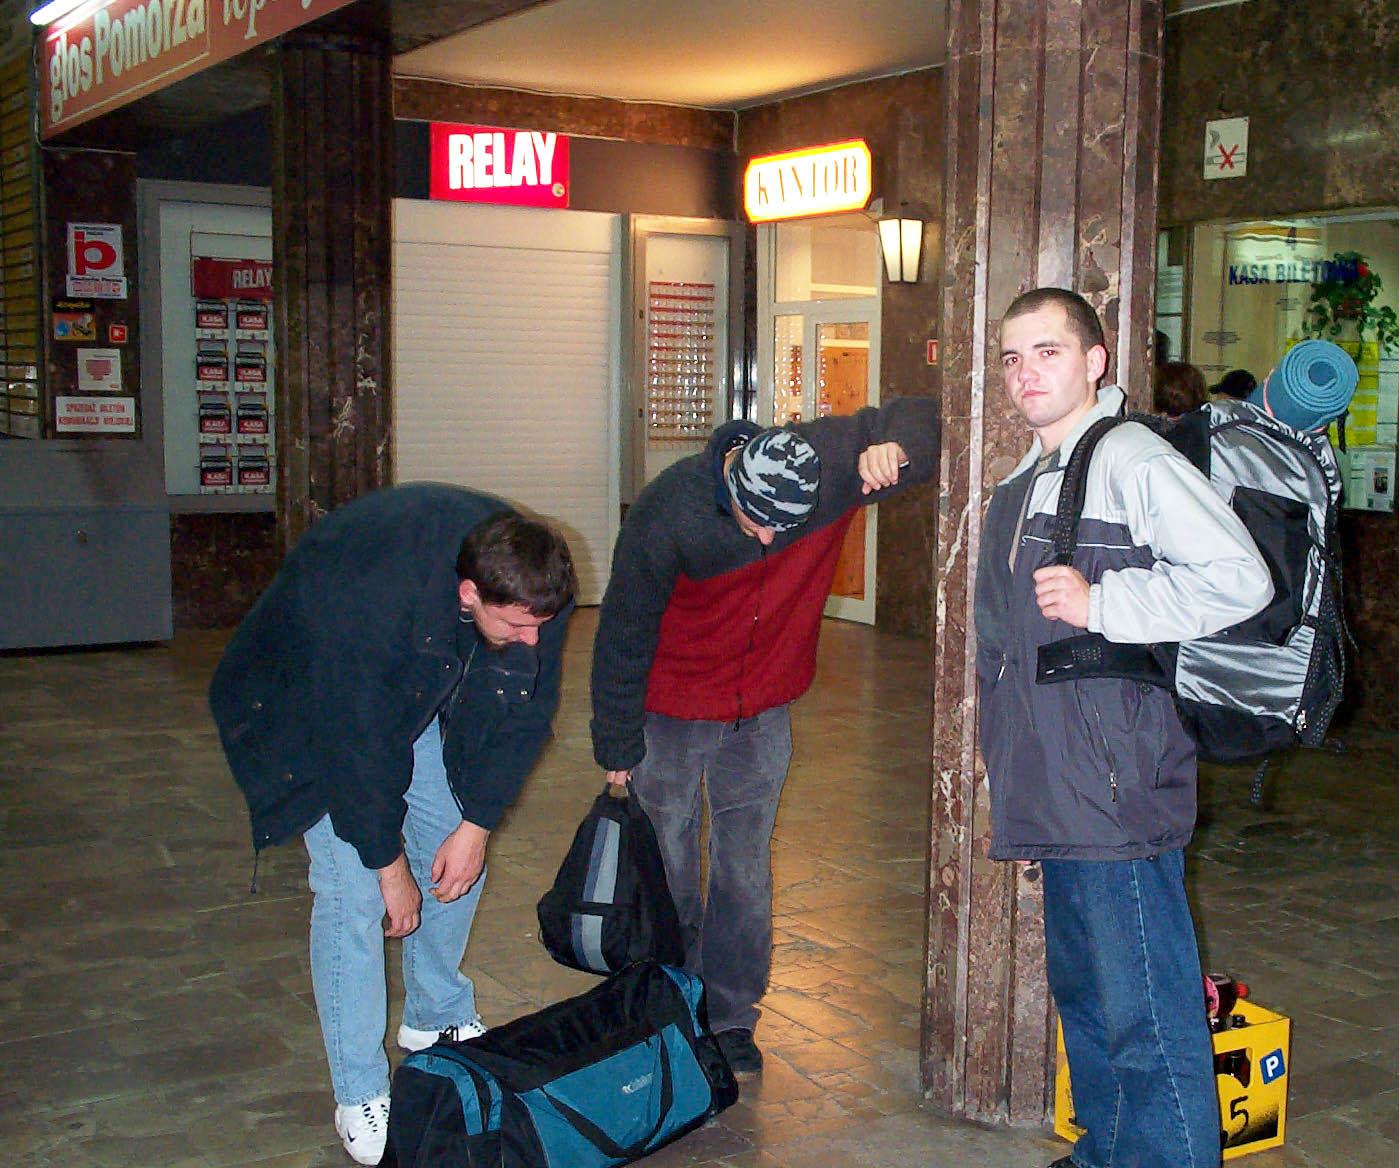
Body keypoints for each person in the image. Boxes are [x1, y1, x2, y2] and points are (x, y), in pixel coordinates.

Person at [976, 288, 1272, 1168]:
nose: (1026, 373)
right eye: (1012, 357)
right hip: (1060, 781)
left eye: (1048, 352)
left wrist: (1105, 601)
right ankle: (1106, 1153)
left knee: (1145, 1008)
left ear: (1095, 360)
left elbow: (1241, 578)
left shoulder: (1129, 457)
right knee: (1090, 996)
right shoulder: (1029, 477)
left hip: (1114, 784)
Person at [210, 483, 576, 1166]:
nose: (532, 640)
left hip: (402, 680)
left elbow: (527, 715)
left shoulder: (534, 591)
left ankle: (434, 1016)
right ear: (468, 594)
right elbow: (357, 745)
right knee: (352, 893)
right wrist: (388, 866)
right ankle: (359, 1092)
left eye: (540, 626)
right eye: (516, 628)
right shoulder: (369, 604)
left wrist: (476, 826)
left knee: (456, 853)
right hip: (305, 697)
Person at [591, 396, 938, 1078]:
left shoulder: (828, 465)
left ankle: (730, 1018)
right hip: (673, 709)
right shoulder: (669, 512)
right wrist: (616, 750)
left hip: (764, 708)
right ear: (730, 491)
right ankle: (671, 1010)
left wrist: (899, 448)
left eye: (786, 527)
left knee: (744, 869)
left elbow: (921, 412)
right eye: (758, 525)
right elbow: (622, 634)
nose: (771, 541)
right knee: (668, 867)